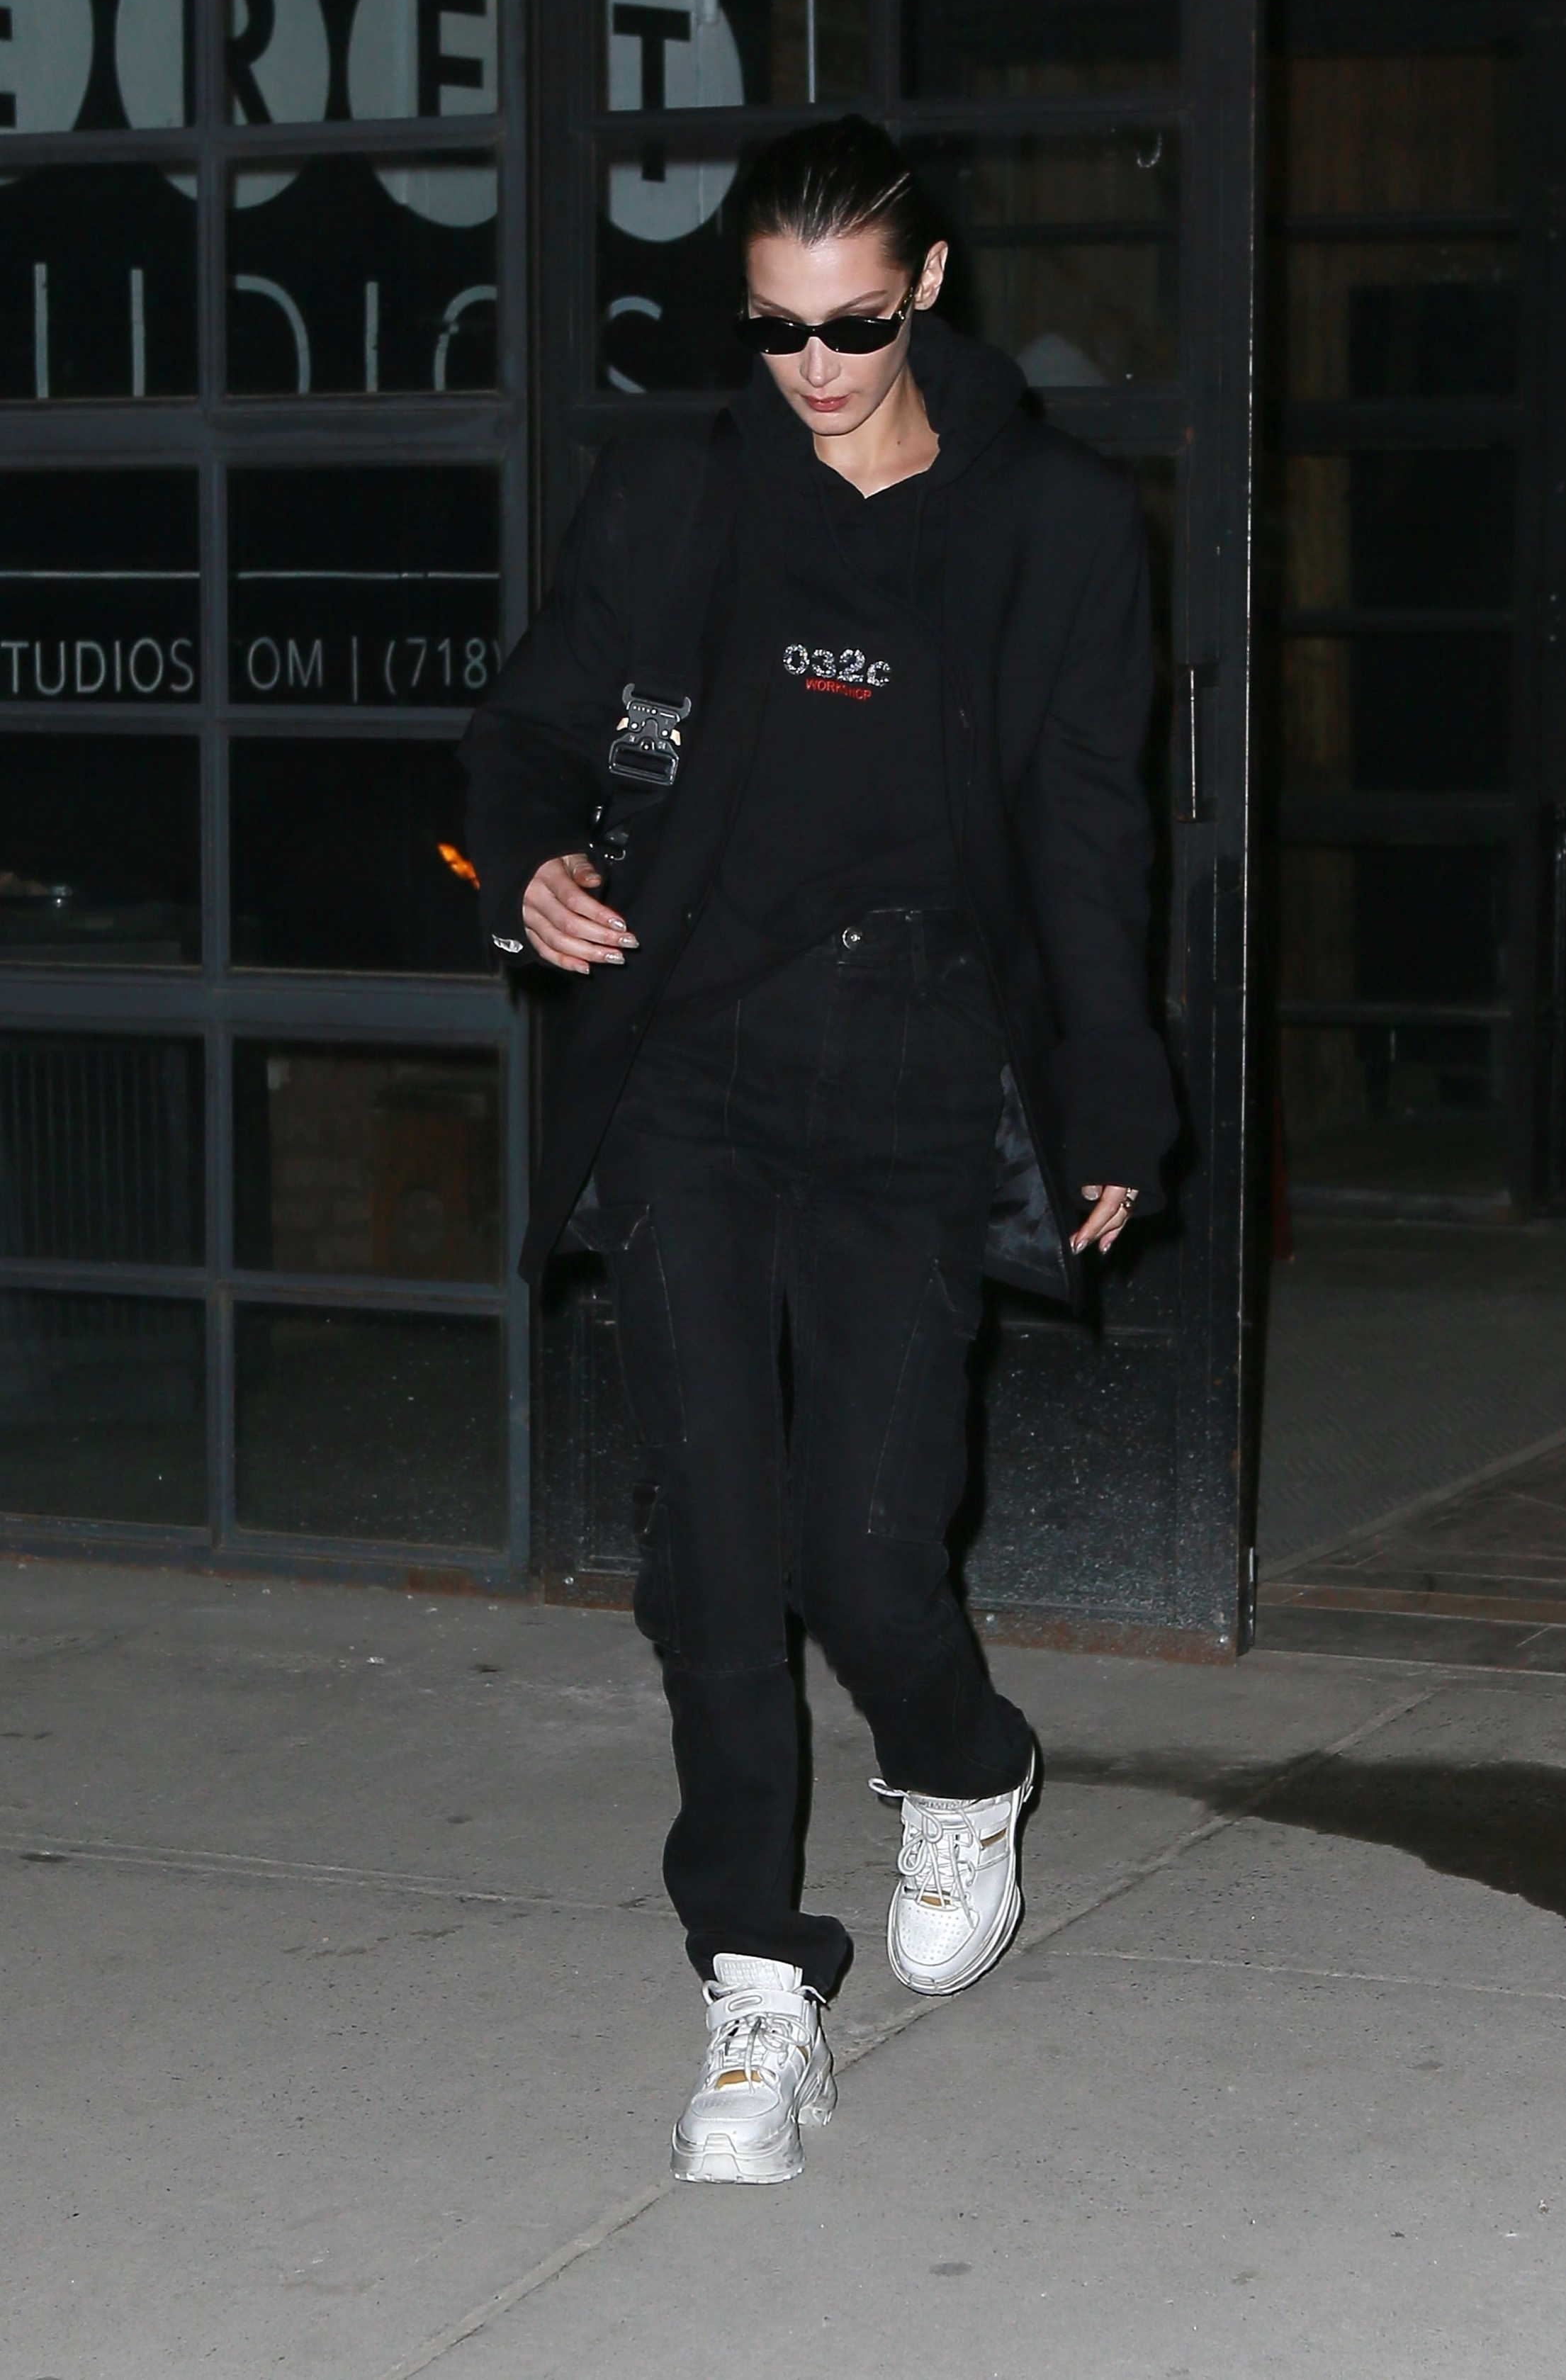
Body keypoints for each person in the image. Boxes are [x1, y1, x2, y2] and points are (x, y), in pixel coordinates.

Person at [461, 115, 1178, 2187]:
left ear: (930, 284)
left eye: (855, 323)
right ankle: (755, 1983)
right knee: (712, 1546)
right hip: (690, 1064)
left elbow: (1090, 833)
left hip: (919, 1071)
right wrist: (530, 868)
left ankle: (964, 1763)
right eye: (776, 329)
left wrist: (1114, 1086)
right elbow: (523, 731)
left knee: (867, 1549)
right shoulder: (679, 492)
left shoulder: (1054, 526)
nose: (816, 367)